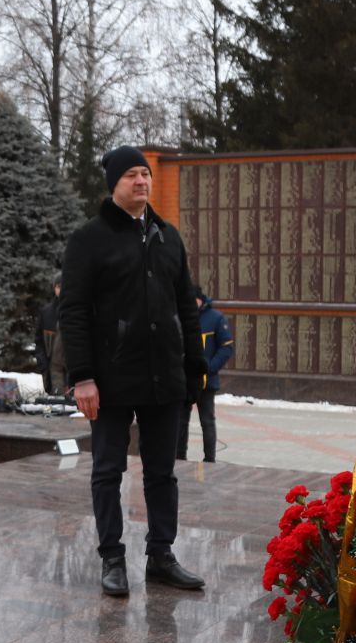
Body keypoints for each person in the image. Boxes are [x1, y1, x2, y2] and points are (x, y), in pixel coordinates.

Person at [60, 146, 207, 598]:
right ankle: (112, 558)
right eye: (131, 175)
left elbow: (186, 304)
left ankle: (161, 555)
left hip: (164, 377)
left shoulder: (168, 237)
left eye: (145, 174)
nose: (141, 181)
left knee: (162, 472)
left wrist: (194, 365)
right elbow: (74, 311)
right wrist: (82, 375)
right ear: (114, 184)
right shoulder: (89, 239)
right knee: (108, 470)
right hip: (110, 379)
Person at [177, 289, 234, 464]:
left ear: (199, 299)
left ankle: (210, 459)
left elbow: (226, 347)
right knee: (181, 421)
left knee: (207, 421)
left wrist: (209, 367)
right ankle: (180, 456)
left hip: (206, 380)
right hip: (184, 379)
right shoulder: (180, 316)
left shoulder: (216, 318)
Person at [36, 276, 63, 392]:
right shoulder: (46, 312)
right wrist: (43, 366)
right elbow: (39, 342)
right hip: (54, 373)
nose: (61, 290)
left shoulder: (81, 311)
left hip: (76, 374)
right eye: (58, 286)